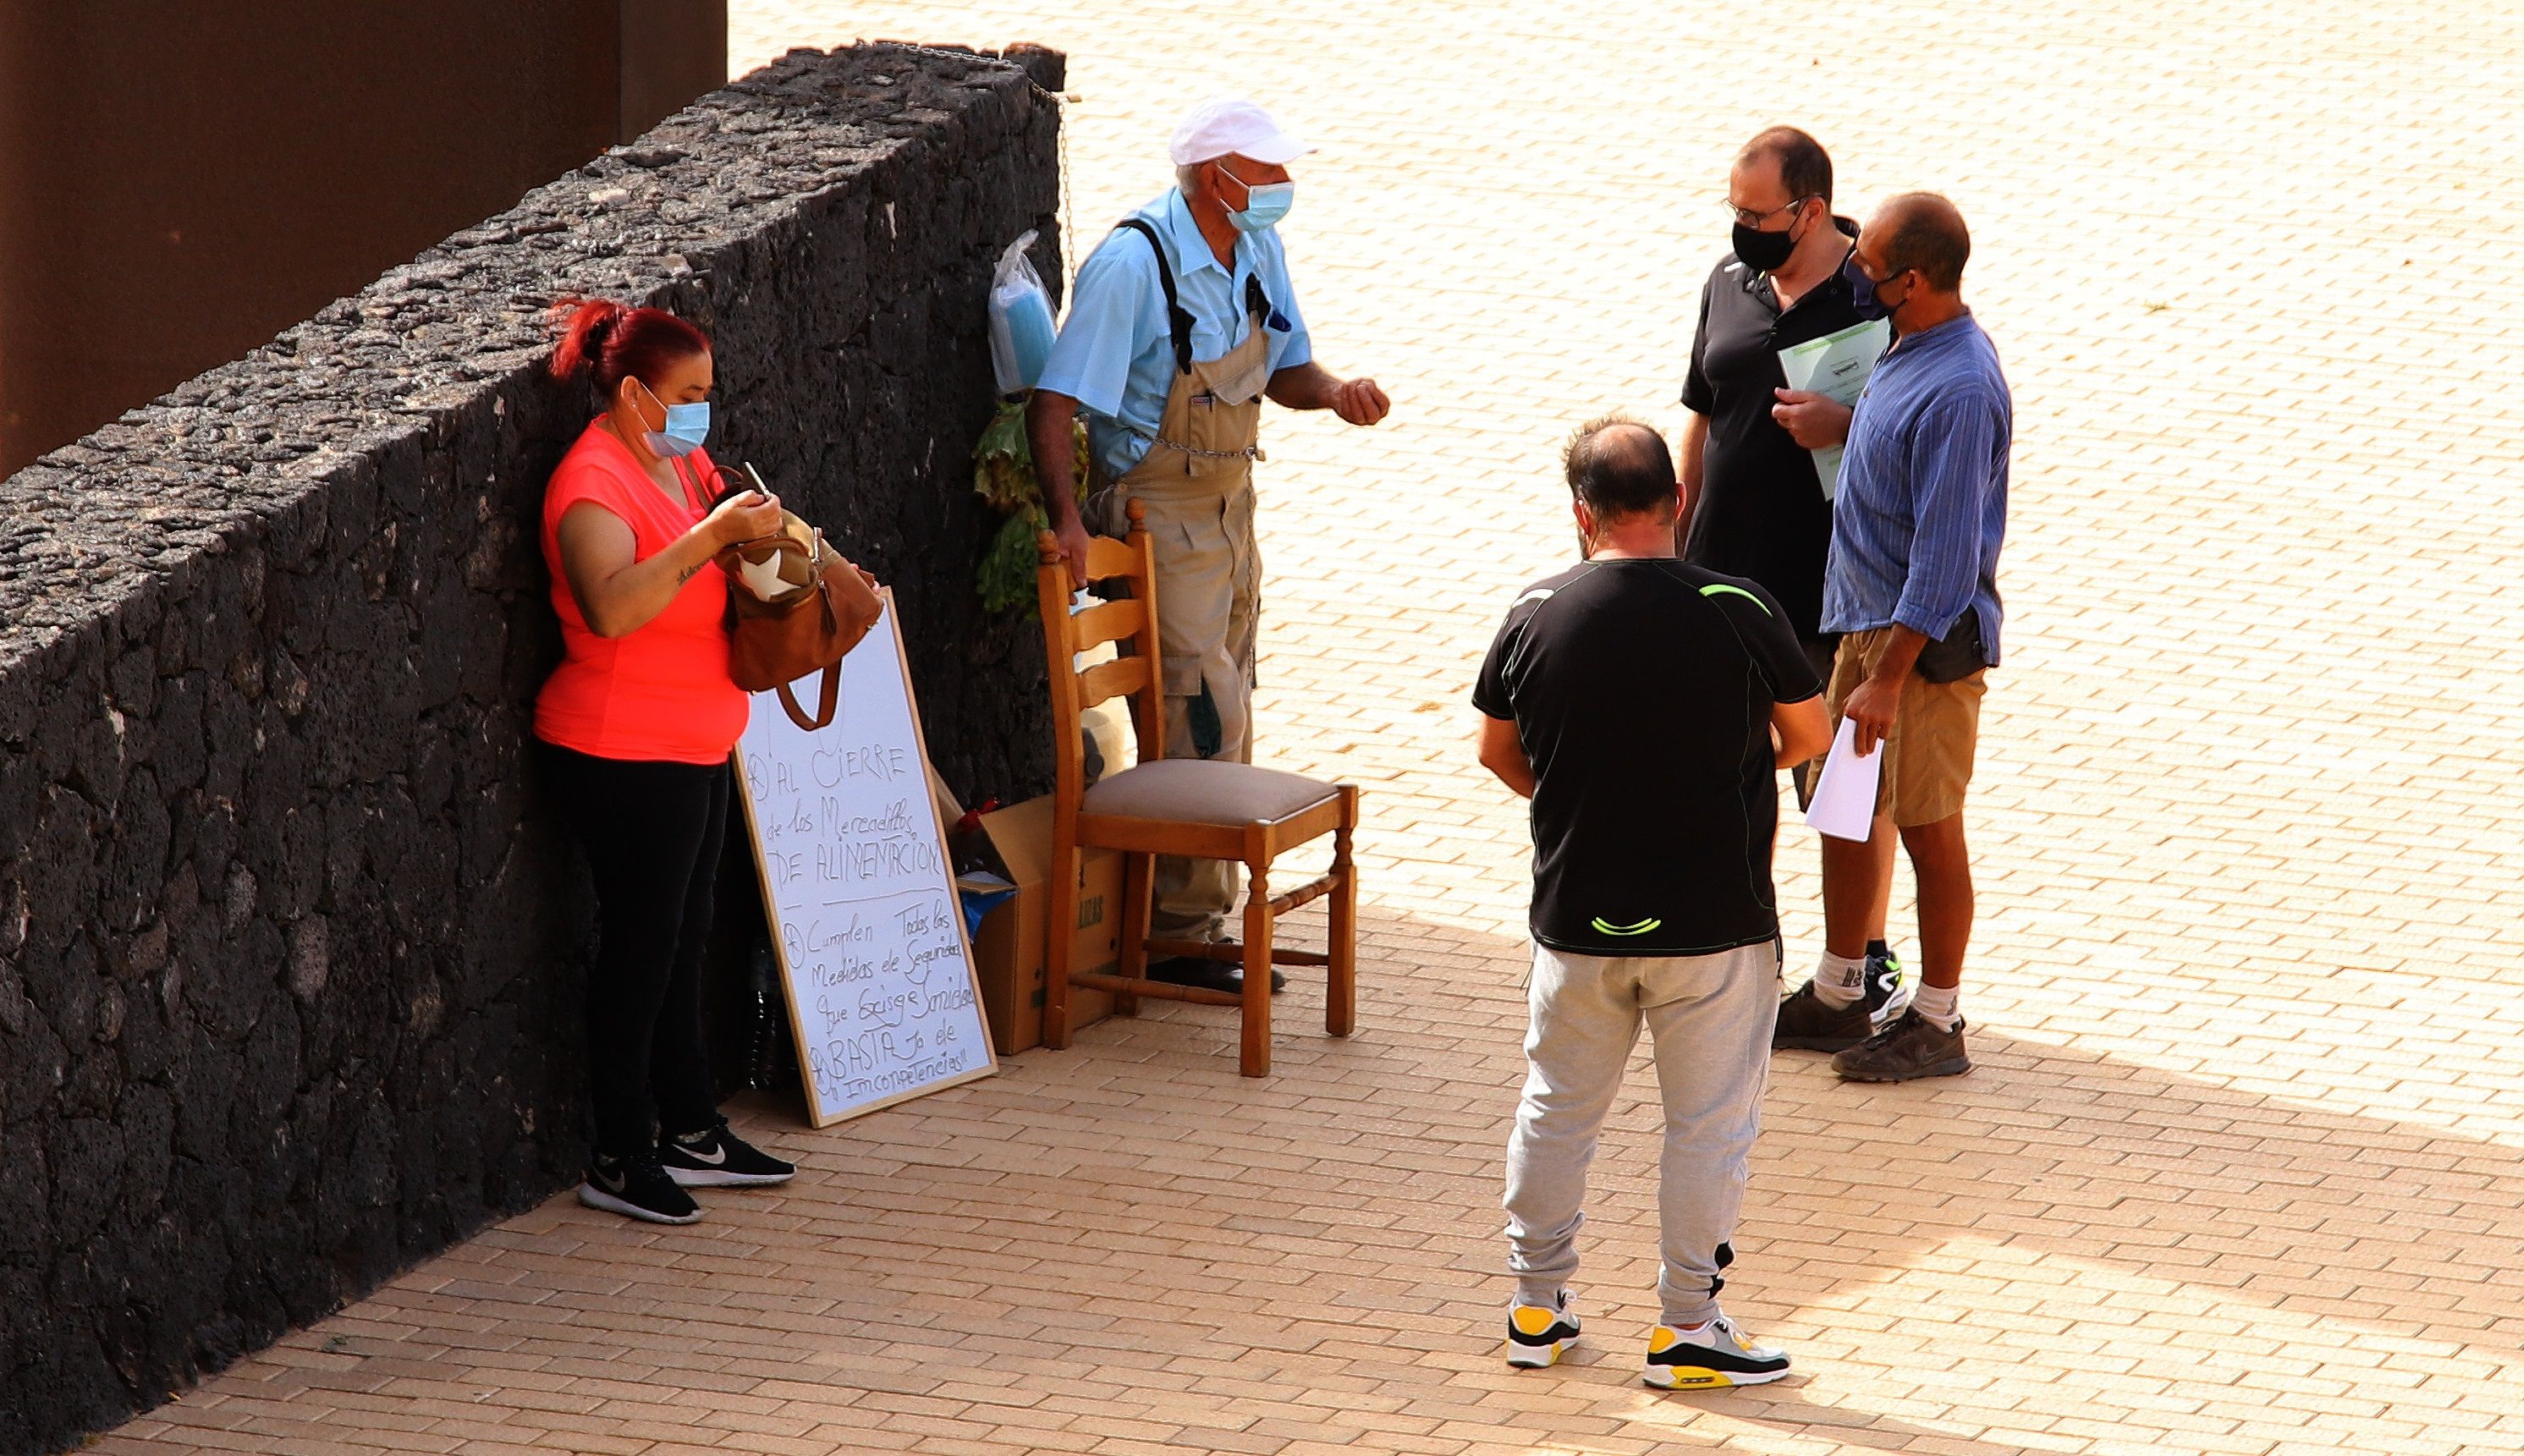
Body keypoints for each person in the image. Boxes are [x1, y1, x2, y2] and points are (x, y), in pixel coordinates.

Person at [1474, 416, 1830, 1388]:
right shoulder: (1737, 602)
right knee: (1708, 1127)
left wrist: (1587, 798)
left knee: (1554, 1111)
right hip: (1714, 927)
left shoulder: (1535, 607)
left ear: (1579, 512)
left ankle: (1536, 1309)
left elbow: (1498, 753)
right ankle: (1685, 1324)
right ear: (1678, 500)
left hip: (1575, 919)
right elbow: (1808, 731)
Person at [1029, 97, 1390, 997]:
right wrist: (1071, 521)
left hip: (1232, 506)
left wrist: (1337, 391)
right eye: (1265, 171)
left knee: (1232, 691)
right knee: (1200, 706)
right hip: (1156, 509)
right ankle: (1183, 935)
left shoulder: (1255, 244)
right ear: (1213, 176)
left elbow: (1288, 368)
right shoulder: (1132, 264)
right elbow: (1055, 403)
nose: (1281, 186)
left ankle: (1198, 914)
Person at [537, 299, 802, 1223]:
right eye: (688, 393)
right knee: (641, 952)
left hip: (695, 739)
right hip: (623, 750)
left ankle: (691, 1127)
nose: (703, 412)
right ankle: (618, 1151)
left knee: (687, 937)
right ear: (637, 393)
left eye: (709, 393)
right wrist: (711, 538)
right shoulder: (591, 485)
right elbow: (611, 607)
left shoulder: (678, 458)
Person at [1679, 126, 1911, 1038]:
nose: (1741, 229)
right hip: (1722, 583)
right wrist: (1677, 533)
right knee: (1734, 771)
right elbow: (1702, 412)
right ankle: (1743, 958)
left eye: (1756, 214)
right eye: (1732, 211)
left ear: (1809, 211)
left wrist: (1844, 423)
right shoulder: (1726, 285)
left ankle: (1853, 969)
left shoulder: (1877, 295)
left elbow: (1923, 434)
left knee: (1841, 785)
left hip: (1836, 588)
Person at [1773, 193, 2010, 1081]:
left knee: (1927, 827)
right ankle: (1840, 991)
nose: (1852, 270)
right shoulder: (1908, 347)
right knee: (1842, 807)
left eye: (1866, 261)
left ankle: (1939, 1019)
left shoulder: (1959, 385)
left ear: (1912, 279)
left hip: (1920, 651)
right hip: (1864, 631)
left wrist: (1884, 677)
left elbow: (1946, 558)